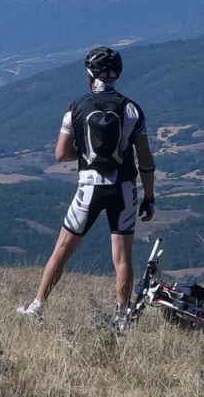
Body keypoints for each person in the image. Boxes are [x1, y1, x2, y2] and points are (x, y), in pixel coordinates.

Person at [16, 46, 156, 329]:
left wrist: (84, 154)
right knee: (122, 257)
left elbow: (60, 154)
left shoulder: (76, 107)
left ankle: (38, 305)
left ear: (90, 74)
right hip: (124, 188)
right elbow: (145, 161)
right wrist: (150, 197)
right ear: (117, 74)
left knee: (62, 250)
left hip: (89, 188)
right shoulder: (132, 109)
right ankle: (121, 317)